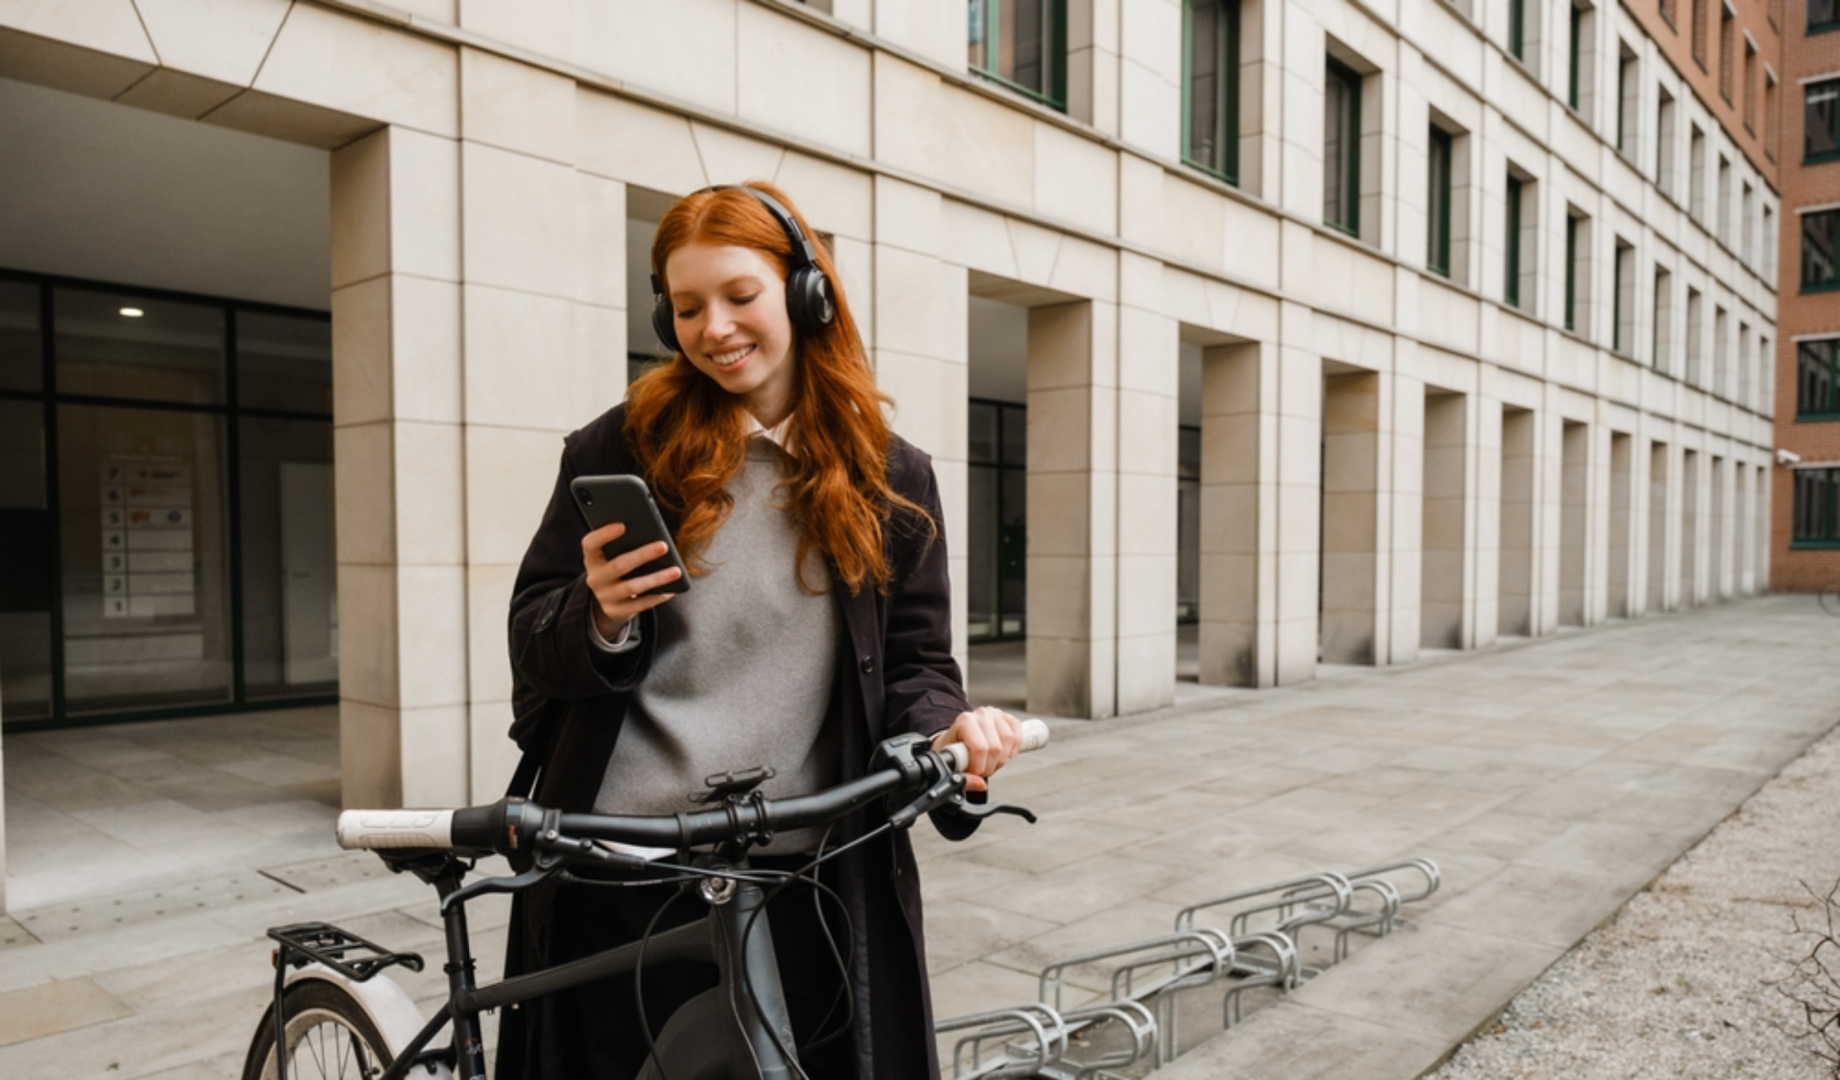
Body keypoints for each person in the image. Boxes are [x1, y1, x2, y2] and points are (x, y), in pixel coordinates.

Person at [495, 181, 1024, 1080]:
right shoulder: (619, 448)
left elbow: (917, 661)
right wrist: (600, 614)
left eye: (740, 296)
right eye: (687, 307)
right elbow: (533, 638)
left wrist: (946, 730)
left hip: (808, 877)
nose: (715, 329)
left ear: (807, 294)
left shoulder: (892, 477)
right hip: (619, 869)